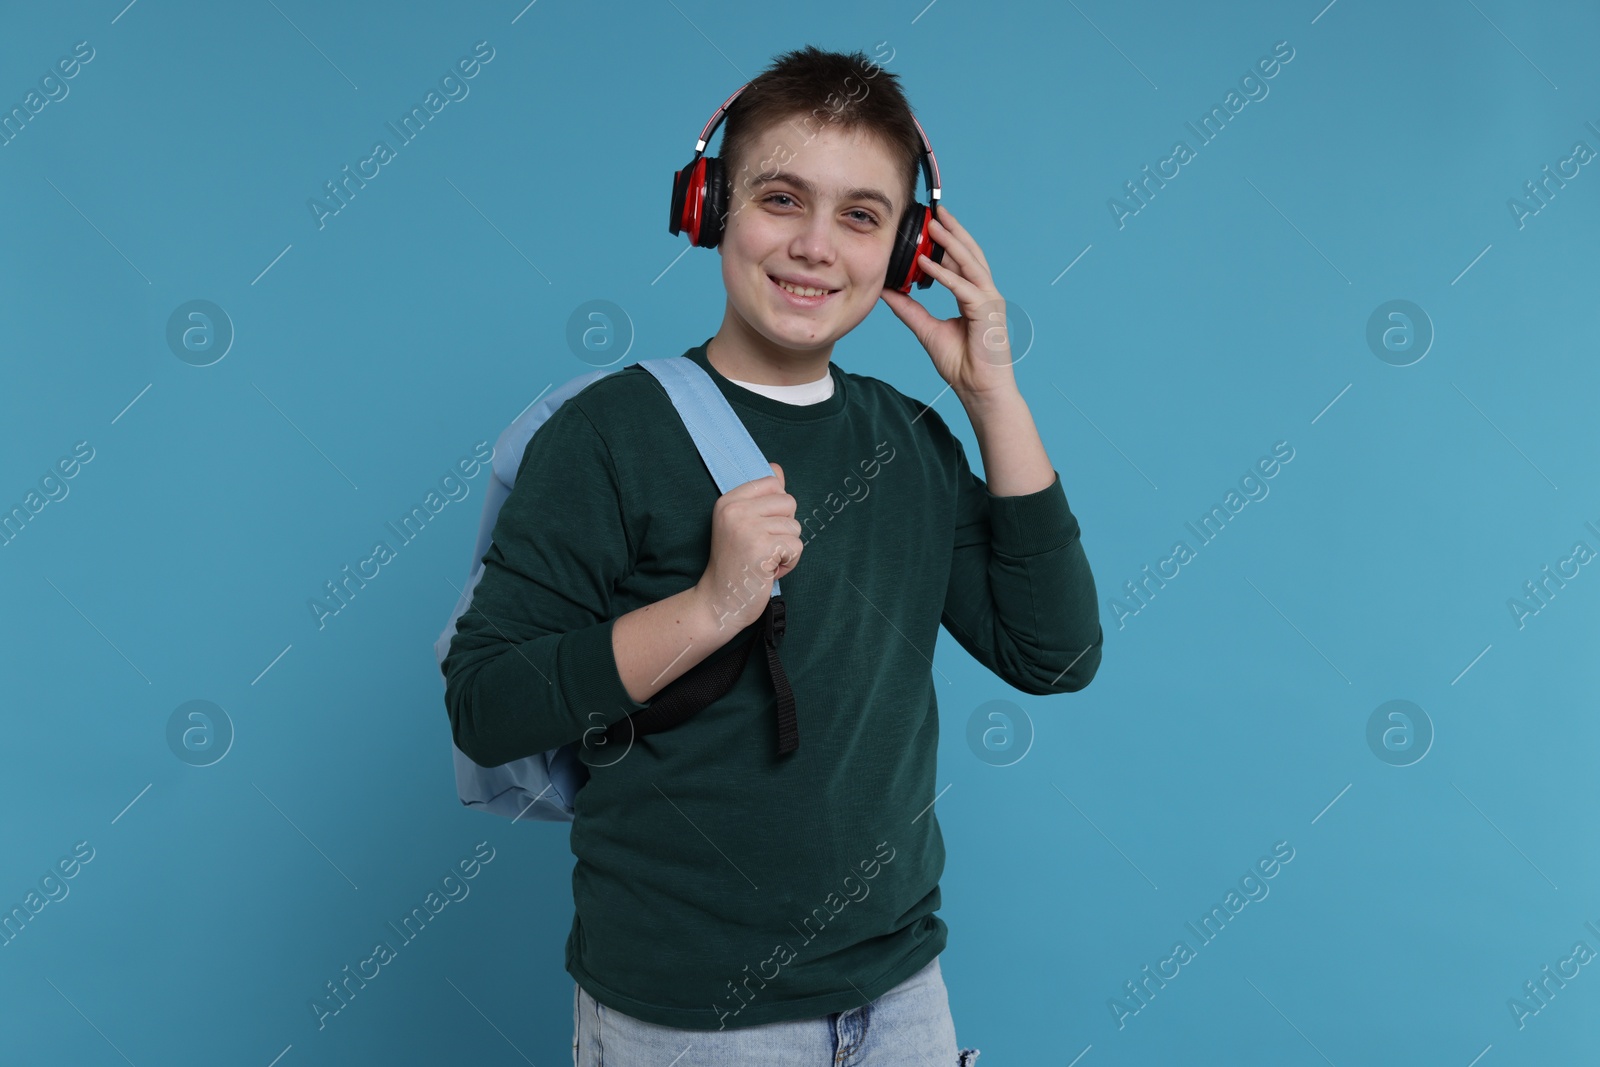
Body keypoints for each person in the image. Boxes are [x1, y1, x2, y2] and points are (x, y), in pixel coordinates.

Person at [443, 44, 1102, 1066]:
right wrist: (710, 604)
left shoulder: (910, 439)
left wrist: (992, 398)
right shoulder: (609, 434)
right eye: (780, 198)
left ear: (904, 247)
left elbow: (1053, 652)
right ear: (710, 206)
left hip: (899, 995)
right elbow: (486, 705)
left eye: (860, 215)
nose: (812, 246)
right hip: (685, 1017)